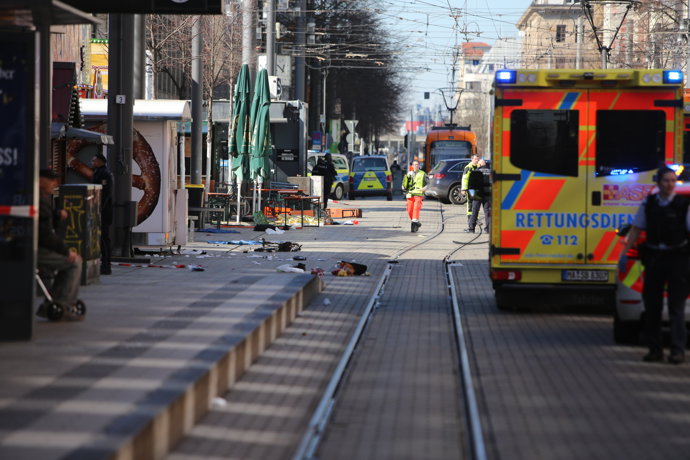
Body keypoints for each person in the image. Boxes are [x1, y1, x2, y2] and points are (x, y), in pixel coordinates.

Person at [619, 166, 690, 364]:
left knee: (676, 307)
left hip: (677, 259)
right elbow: (636, 229)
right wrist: (624, 252)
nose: (670, 184)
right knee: (653, 307)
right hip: (655, 258)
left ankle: (677, 351)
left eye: (673, 181)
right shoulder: (649, 204)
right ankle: (654, 350)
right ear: (658, 183)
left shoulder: (683, 206)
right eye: (666, 180)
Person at [37, 169, 83, 320]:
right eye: (51, 180)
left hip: (30, 245)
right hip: (35, 249)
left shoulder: (38, 197)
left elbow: (44, 219)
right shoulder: (39, 199)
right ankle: (63, 304)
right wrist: (66, 251)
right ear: (40, 180)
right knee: (74, 262)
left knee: (69, 262)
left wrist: (56, 214)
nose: (55, 184)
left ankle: (54, 302)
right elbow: (45, 236)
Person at [91, 153, 114, 274]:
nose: (92, 163)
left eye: (94, 160)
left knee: (104, 238)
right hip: (101, 210)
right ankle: (104, 264)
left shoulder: (105, 174)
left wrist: (99, 209)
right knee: (101, 238)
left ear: (100, 162)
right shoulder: (98, 172)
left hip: (104, 212)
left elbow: (106, 194)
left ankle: (106, 265)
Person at [402, 160, 428, 232]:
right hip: (410, 194)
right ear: (412, 166)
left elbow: (428, 183)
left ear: (419, 166)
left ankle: (414, 223)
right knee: (409, 210)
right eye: (414, 164)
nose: (416, 166)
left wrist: (424, 188)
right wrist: (403, 187)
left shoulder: (423, 174)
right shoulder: (409, 174)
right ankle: (416, 223)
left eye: (417, 164)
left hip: (418, 194)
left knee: (416, 208)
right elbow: (404, 183)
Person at [461, 154, 483, 233]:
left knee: (475, 206)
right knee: (471, 206)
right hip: (470, 189)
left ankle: (474, 221)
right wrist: (463, 189)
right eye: (475, 159)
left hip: (476, 189)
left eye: (478, 159)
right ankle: (471, 224)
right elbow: (464, 179)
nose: (477, 161)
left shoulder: (478, 167)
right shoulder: (468, 167)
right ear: (472, 159)